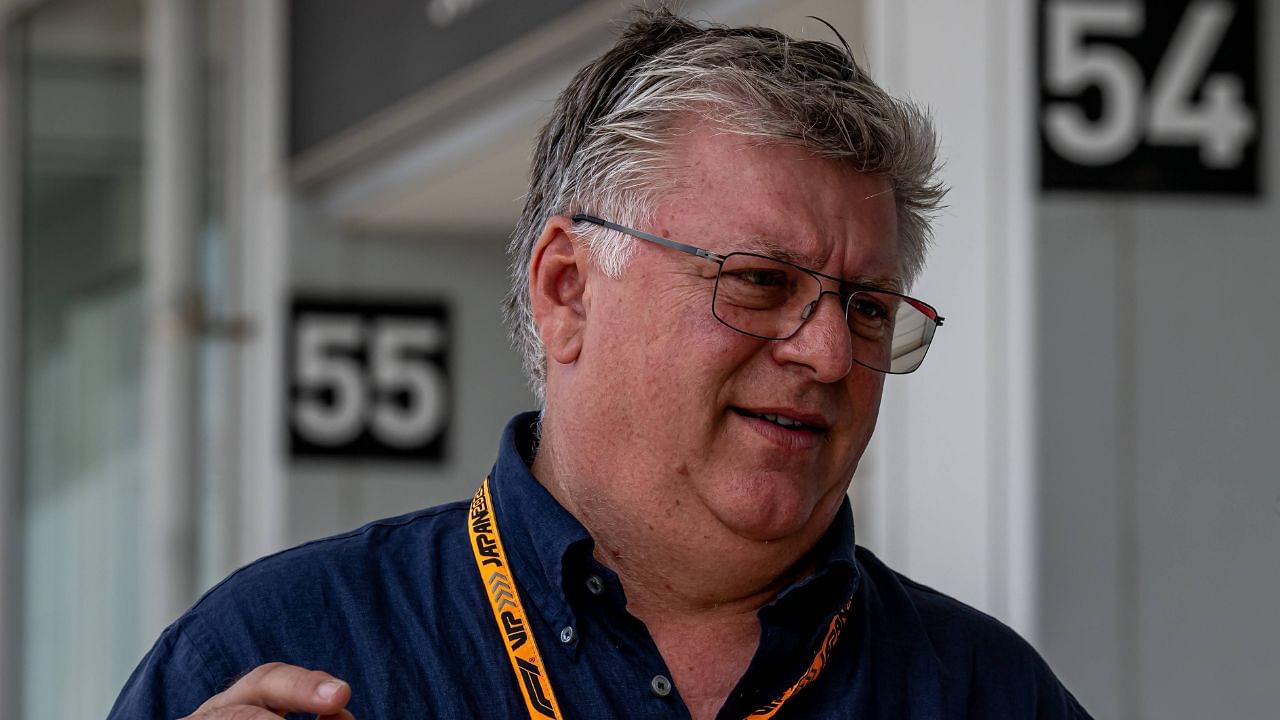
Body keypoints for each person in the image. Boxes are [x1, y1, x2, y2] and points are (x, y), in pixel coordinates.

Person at [110, 9, 1090, 720]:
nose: (828, 353)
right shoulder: (285, 651)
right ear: (568, 289)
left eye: (867, 309)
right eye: (756, 282)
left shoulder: (984, 694)